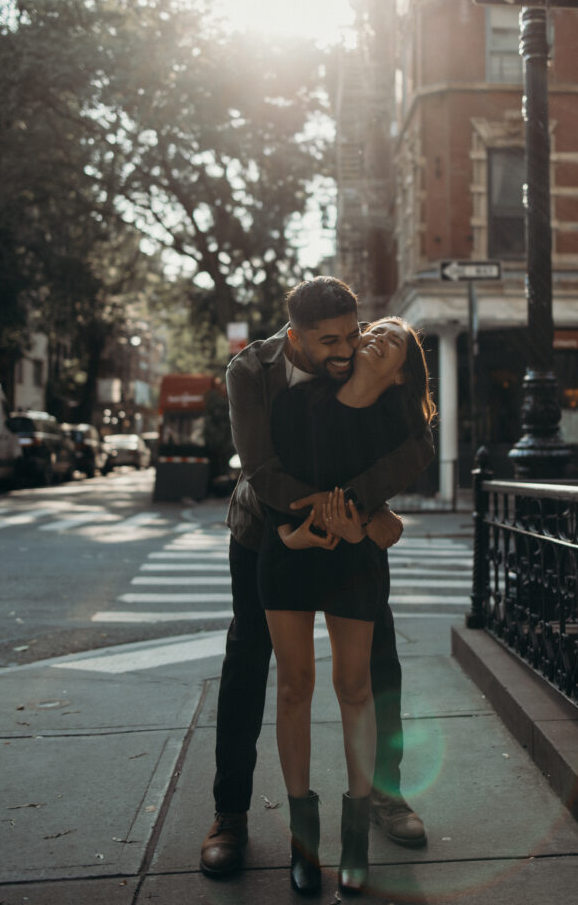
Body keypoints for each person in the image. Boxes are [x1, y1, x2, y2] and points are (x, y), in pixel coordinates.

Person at [200, 278, 435, 879]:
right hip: (265, 533)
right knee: (251, 666)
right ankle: (230, 814)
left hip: (351, 538)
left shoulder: (360, 354)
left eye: (353, 333)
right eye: (329, 340)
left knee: (376, 667)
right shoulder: (250, 371)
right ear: (294, 336)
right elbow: (261, 469)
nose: (346, 348)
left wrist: (359, 509)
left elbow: (407, 444)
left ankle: (384, 795)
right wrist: (353, 514)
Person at [259, 316, 435, 894]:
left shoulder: (399, 430)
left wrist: (365, 526)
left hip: (354, 560)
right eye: (376, 327)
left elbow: (382, 510)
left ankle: (355, 845)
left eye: (396, 340)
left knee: (356, 689)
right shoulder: (296, 401)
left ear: (403, 370)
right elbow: (268, 480)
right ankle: (303, 847)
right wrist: (292, 531)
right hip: (289, 553)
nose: (379, 334)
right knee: (294, 687)